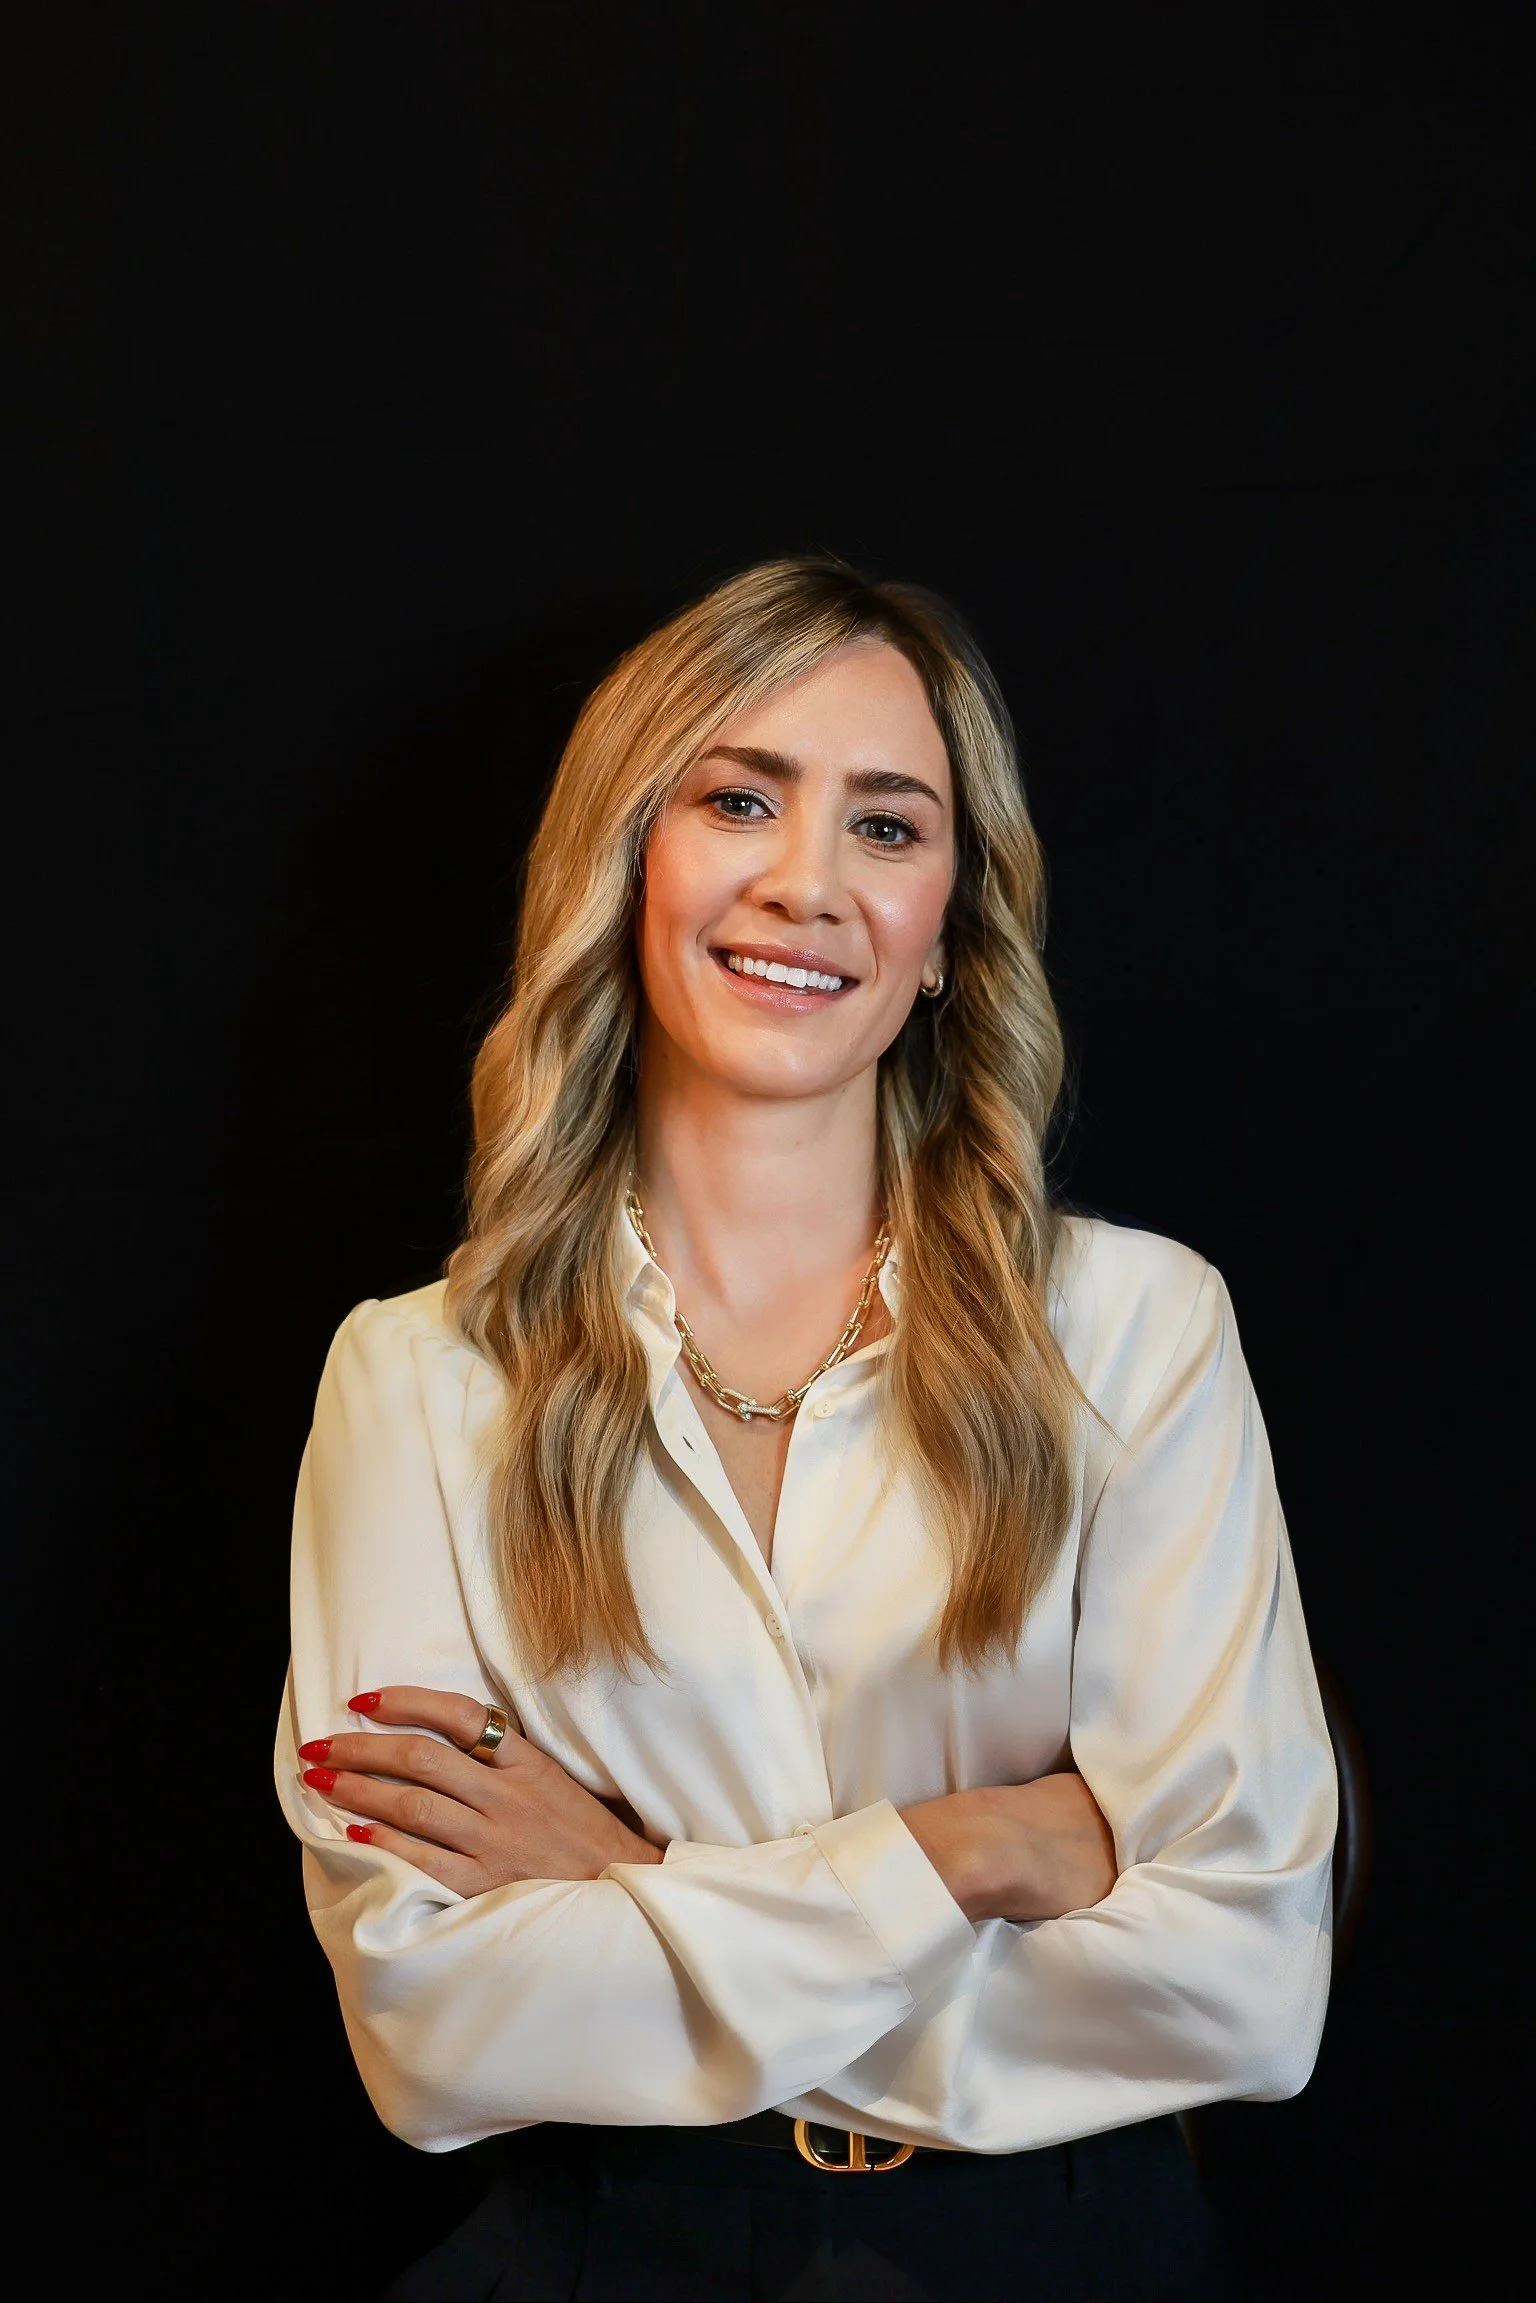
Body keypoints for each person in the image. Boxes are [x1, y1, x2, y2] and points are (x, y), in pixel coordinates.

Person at [275, 557, 1336, 2302]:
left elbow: (1242, 1986)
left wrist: (642, 1879)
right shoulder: (413, 1378)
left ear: (947, 935)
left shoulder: (1139, 1332)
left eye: (888, 825)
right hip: (603, 2257)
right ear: (628, 857)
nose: (807, 882)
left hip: (1064, 2257)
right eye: (740, 799)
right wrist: (972, 1848)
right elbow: (435, 2032)